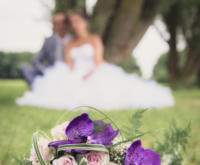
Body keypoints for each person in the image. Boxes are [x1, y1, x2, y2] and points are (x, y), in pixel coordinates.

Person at [16, 11, 174, 110]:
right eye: (73, 23)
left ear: (85, 22)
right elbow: (70, 63)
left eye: (78, 21)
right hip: (76, 72)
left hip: (94, 70)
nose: (75, 25)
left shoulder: (94, 39)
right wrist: (73, 75)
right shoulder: (71, 43)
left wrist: (90, 73)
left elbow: (98, 60)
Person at [21, 12, 72, 85]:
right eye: (55, 22)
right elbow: (36, 60)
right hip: (51, 72)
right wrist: (45, 71)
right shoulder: (48, 41)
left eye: (61, 22)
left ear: (67, 24)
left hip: (69, 73)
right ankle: (39, 90)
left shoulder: (74, 40)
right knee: (26, 68)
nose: (59, 25)